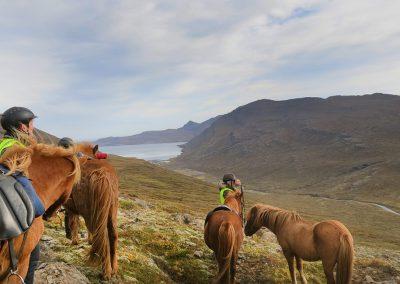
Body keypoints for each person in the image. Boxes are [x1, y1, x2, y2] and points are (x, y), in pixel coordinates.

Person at [0, 106, 45, 284]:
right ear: (22, 127)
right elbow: (38, 207)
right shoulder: (17, 150)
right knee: (33, 256)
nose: (33, 127)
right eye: (31, 123)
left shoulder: (3, 143)